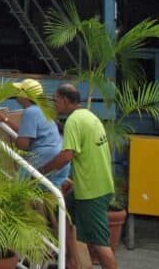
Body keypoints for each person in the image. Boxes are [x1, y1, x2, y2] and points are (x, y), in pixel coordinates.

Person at [40, 84, 117, 269]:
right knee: (63, 211)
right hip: (94, 186)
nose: (55, 105)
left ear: (65, 100)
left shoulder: (74, 121)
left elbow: (67, 156)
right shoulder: (89, 117)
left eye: (56, 100)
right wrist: (74, 182)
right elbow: (89, 156)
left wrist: (42, 171)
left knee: (100, 245)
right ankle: (72, 262)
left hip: (92, 192)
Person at [0, 78, 70, 187]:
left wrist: (11, 142)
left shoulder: (30, 112)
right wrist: (6, 120)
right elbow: (28, 132)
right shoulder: (41, 110)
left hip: (43, 158)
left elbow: (23, 145)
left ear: (25, 95)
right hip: (57, 156)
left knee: (19, 190)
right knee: (51, 196)